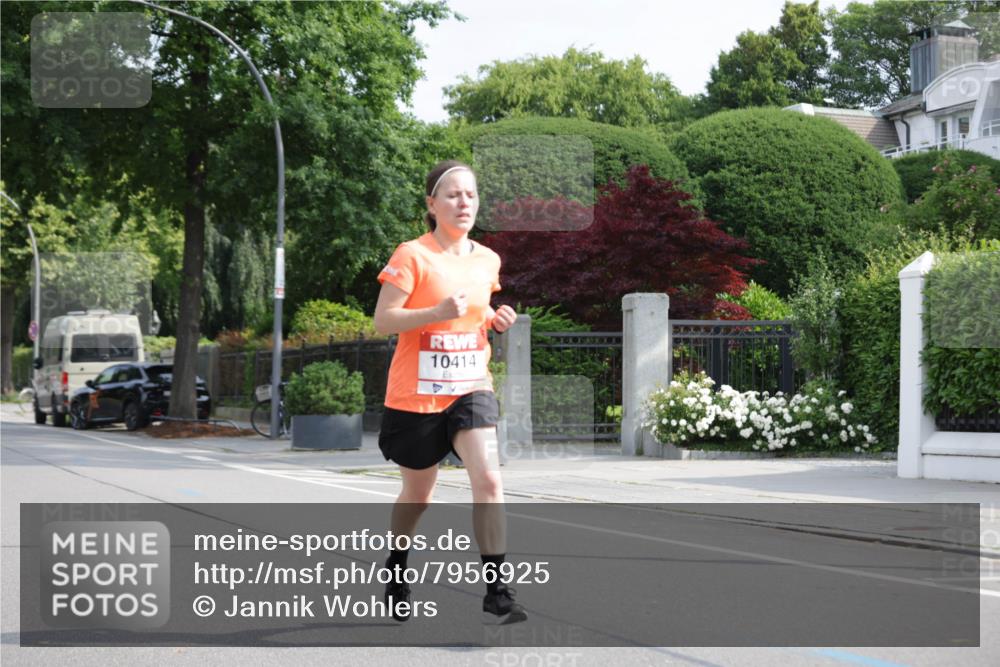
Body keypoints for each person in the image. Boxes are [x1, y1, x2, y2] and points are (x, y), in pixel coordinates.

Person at [372, 159, 526, 625]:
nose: (464, 203)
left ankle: (497, 591)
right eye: (454, 194)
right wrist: (435, 311)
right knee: (419, 496)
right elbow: (383, 320)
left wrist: (496, 318)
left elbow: (477, 311)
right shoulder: (412, 255)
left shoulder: (488, 260)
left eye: (471, 195)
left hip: (470, 386)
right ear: (432, 204)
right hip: (417, 396)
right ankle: (397, 566)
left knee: (490, 479)